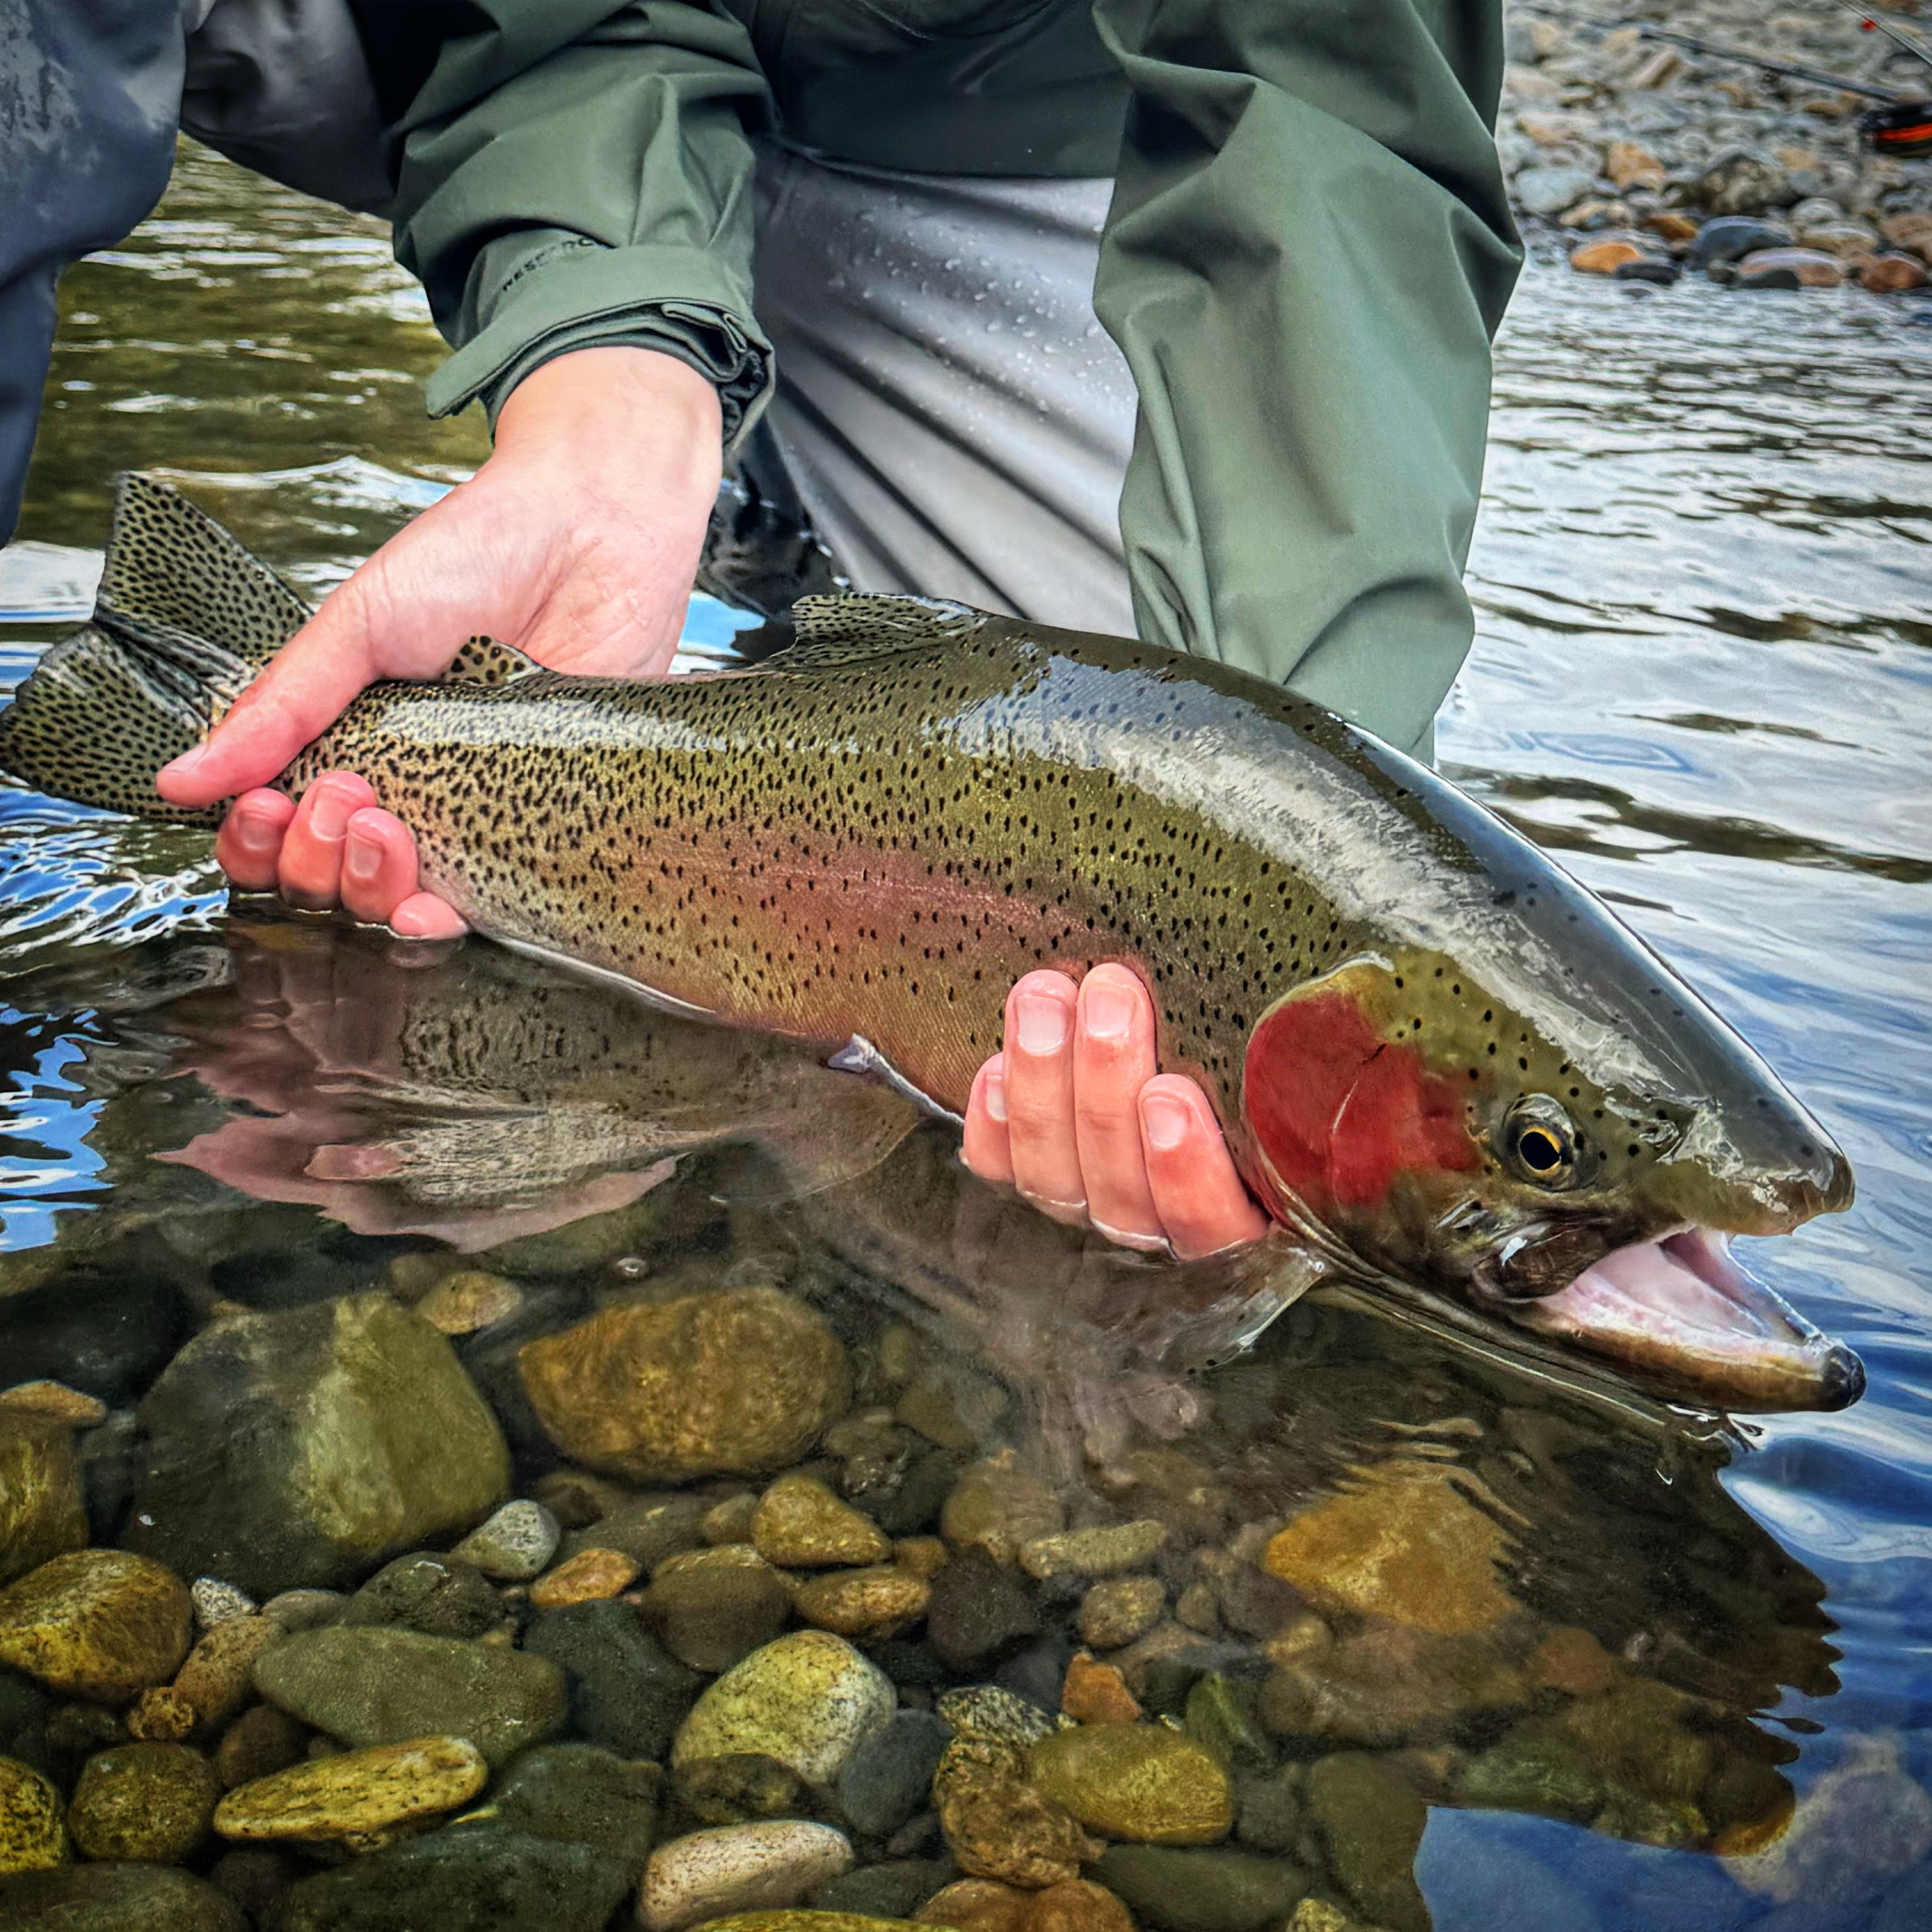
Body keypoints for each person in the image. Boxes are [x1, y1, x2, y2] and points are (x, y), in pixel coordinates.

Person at [2, 0, 1519, 1259]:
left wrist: (1298, 769)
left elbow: (1330, 108)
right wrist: (608, 383)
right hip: (432, 29)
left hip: (1024, 105)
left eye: (1538, 1147)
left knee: (1144, 747)